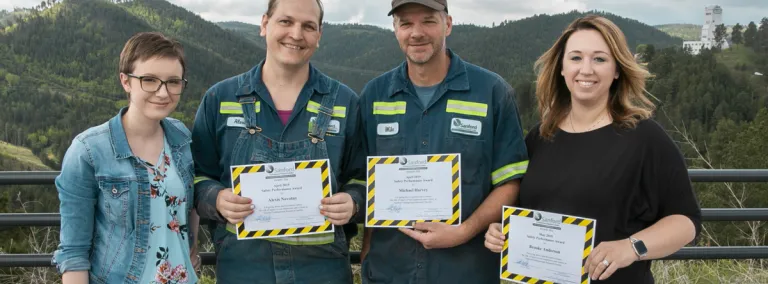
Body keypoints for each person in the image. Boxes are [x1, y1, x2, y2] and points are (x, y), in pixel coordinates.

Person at [484, 15, 702, 283]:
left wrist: (631, 248)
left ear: (617, 69)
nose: (586, 69)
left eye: (599, 59)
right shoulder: (540, 137)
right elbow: (524, 211)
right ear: (561, 68)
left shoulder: (645, 138)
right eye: (576, 58)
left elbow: (686, 222)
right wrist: (501, 230)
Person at [191, 0, 367, 283]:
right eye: (286, 21)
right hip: (244, 269)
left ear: (319, 35)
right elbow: (197, 177)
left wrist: (353, 202)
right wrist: (217, 198)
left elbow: (364, 179)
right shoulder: (219, 99)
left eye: (308, 26)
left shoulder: (346, 103)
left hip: (323, 271)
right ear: (264, 24)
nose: (296, 34)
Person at [358, 0, 529, 283]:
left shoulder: (492, 92)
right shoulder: (374, 95)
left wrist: (463, 231)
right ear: (395, 29)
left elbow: (510, 182)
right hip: (389, 272)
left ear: (447, 24)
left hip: (466, 272)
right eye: (406, 23)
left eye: (428, 21)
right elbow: (365, 182)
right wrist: (366, 253)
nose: (417, 33)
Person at [53, 32, 200, 283]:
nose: (163, 93)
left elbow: (188, 208)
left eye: (173, 82)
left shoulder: (181, 138)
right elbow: (74, 252)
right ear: (126, 81)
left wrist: (192, 251)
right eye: (149, 80)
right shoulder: (88, 150)